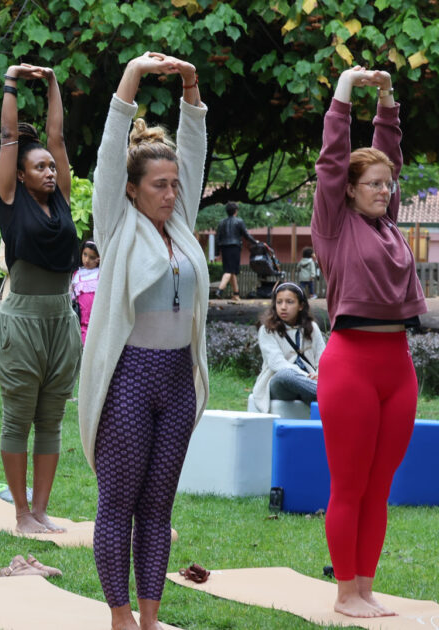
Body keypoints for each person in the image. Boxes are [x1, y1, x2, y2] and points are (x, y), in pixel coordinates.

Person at [78, 51, 209, 630]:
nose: (169, 192)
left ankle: (151, 618)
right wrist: (129, 77)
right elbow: (110, 154)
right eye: (158, 184)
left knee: (159, 509)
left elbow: (195, 154)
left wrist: (191, 88)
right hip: (129, 379)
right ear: (131, 190)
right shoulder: (117, 223)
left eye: (174, 185)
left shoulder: (181, 225)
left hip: (177, 381)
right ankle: (120, 616)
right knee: (120, 505)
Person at [312, 65, 424, 619]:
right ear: (349, 192)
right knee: (351, 485)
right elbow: (333, 159)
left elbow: (391, 156)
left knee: (380, 487)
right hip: (351, 366)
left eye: (388, 185)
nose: (384, 190)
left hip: (397, 366)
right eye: (373, 184)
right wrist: (345, 93)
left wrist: (387, 100)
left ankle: (365, 586)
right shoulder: (335, 224)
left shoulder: (389, 225)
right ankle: (344, 594)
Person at [0, 63, 82, 535]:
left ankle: (42, 510)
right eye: (40, 166)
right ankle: (20, 512)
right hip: (22, 319)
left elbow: (57, 136)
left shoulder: (61, 198)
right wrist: (11, 80)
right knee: (19, 416)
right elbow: (11, 135)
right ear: (21, 175)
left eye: (51, 165)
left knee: (52, 417)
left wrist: (51, 85)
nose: (49, 171)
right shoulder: (10, 200)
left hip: (60, 318)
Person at [251, 283, 326, 413]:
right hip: (280, 383)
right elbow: (277, 363)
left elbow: (323, 357)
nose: (283, 307)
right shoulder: (267, 329)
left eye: (289, 302)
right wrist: (306, 377)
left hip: (309, 383)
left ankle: (319, 398)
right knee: (286, 375)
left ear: (301, 306)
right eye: (279, 302)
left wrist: (319, 374)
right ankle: (329, 395)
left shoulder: (312, 327)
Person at [214, 201, 259, 298]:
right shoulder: (239, 221)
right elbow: (246, 235)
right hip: (234, 248)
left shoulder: (221, 222)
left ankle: (236, 294)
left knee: (231, 270)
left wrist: (217, 253)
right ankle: (220, 290)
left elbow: (217, 238)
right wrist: (255, 242)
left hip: (224, 248)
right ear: (235, 211)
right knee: (229, 271)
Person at [71, 241, 101, 343]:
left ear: (98, 259)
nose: (87, 260)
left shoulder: (101, 273)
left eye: (92, 257)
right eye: (85, 255)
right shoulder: (77, 273)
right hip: (79, 317)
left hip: (96, 317)